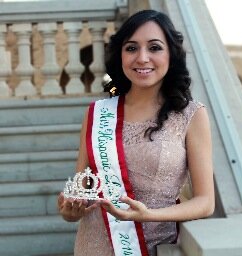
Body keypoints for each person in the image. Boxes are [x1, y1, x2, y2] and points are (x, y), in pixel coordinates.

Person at [58, 9, 215, 256]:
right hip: (94, 246)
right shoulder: (98, 113)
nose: (142, 58)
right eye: (131, 48)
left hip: (155, 247)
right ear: (120, 55)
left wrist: (149, 215)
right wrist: (71, 208)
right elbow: (82, 187)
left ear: (171, 54)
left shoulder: (191, 115)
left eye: (154, 48)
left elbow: (206, 202)